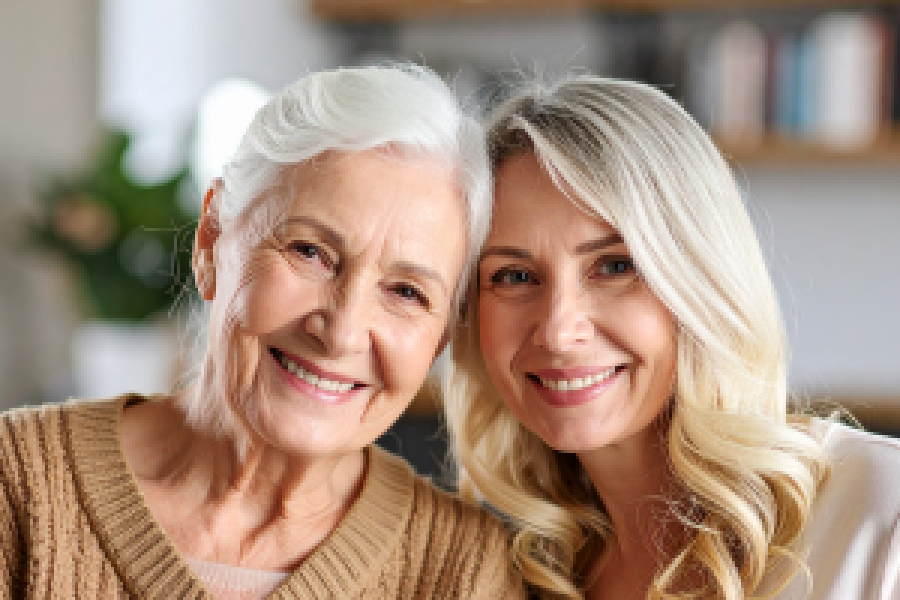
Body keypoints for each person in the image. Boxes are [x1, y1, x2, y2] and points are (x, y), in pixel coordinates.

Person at [0, 64, 524, 599]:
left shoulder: (461, 572)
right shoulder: (17, 487)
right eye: (310, 252)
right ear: (213, 237)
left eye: (407, 292)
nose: (341, 333)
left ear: (441, 336)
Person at [441, 74, 900, 599]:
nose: (559, 331)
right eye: (514, 277)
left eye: (615, 266)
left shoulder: (880, 516)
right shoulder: (517, 572)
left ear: (701, 277)